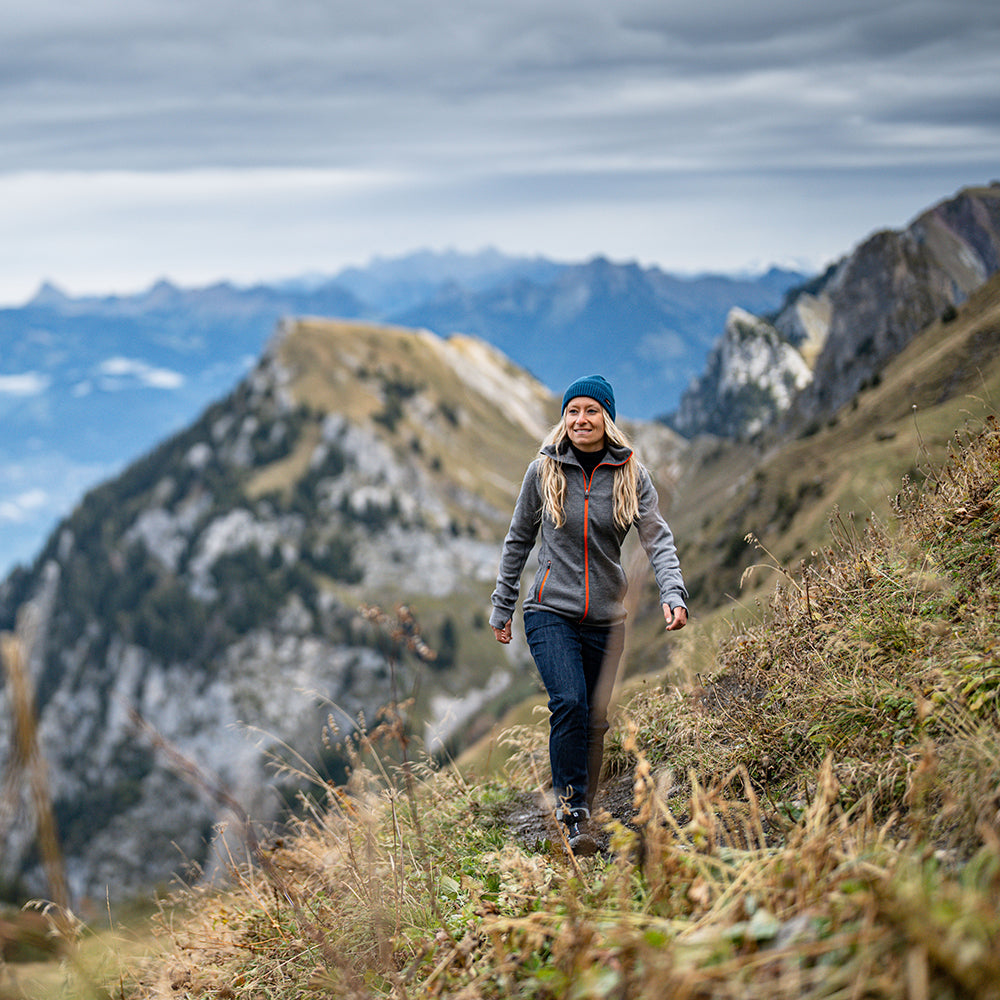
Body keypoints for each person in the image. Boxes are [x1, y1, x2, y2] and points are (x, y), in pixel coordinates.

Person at [490, 374, 688, 855]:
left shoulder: (630, 476)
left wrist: (673, 591)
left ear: (607, 418)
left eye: (591, 411)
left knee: (596, 719)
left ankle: (585, 809)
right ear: (565, 417)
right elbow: (518, 540)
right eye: (573, 411)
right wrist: (503, 604)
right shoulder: (543, 471)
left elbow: (656, 538)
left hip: (606, 616)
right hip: (548, 610)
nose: (581, 419)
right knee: (571, 703)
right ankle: (572, 812)